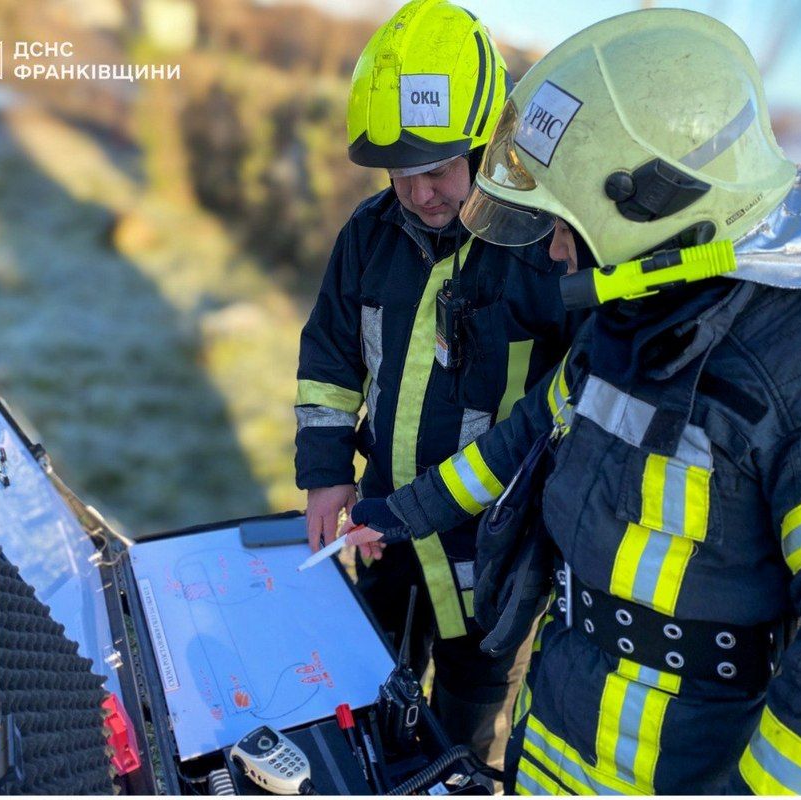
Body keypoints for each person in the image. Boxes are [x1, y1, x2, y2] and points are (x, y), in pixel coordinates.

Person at [344, 8, 801, 794]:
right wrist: (401, 513)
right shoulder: (625, 324)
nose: (555, 251)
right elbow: (524, 438)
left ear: (650, 205)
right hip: (552, 741)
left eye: (566, 225)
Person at [294, 0, 584, 765]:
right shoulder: (368, 234)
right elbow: (329, 357)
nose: (421, 194)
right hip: (381, 528)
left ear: (488, 147)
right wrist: (326, 476)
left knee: (457, 728)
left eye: (440, 169)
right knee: (366, 693)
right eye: (402, 174)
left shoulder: (543, 253)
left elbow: (571, 405)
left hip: (489, 558)